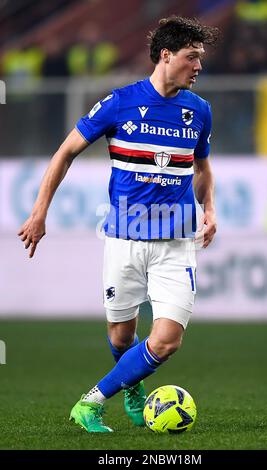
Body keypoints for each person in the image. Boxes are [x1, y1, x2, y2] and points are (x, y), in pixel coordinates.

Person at [18, 16, 218, 433]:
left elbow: (202, 168)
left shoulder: (199, 111)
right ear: (166, 56)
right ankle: (131, 386)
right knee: (121, 337)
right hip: (124, 240)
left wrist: (210, 208)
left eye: (200, 58)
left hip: (176, 242)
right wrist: (39, 212)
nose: (199, 66)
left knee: (166, 340)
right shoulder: (119, 103)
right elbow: (65, 152)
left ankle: (90, 403)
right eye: (191, 57)